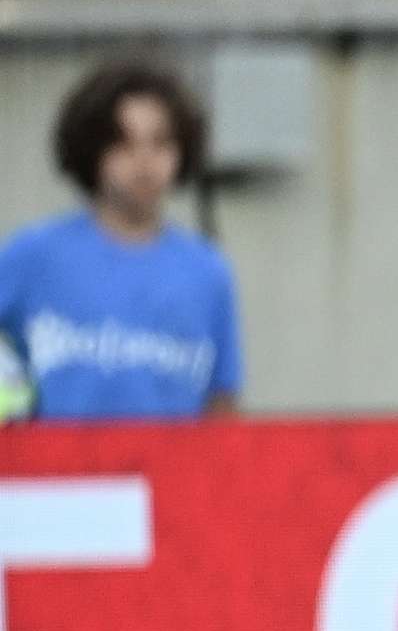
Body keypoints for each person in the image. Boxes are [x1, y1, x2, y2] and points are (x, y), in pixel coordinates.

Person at [0, 61, 239, 423]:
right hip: (57, 475)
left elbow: (221, 402)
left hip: (169, 475)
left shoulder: (207, 271)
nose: (144, 160)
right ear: (92, 149)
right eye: (124, 143)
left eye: (160, 142)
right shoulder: (31, 257)